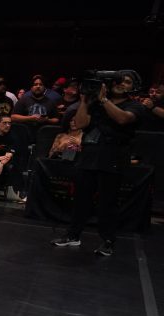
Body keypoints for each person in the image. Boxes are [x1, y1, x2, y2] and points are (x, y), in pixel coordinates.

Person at [51, 72, 147, 256]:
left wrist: (103, 100)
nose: (121, 84)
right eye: (118, 80)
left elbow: (122, 119)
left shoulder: (134, 106)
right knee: (81, 199)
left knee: (107, 202)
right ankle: (73, 235)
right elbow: (80, 123)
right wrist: (85, 101)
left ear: (133, 87)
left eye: (127, 82)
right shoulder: (95, 104)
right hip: (89, 155)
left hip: (113, 157)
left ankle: (108, 240)